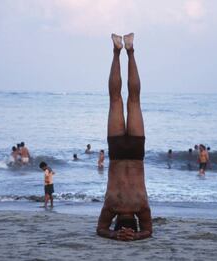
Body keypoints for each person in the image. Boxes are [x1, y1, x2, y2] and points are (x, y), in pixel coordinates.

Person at [96, 33, 152, 241]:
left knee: (135, 100)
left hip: (136, 153)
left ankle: (130, 50)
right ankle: (117, 50)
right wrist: (114, 235)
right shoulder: (112, 206)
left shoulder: (141, 207)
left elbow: (148, 231)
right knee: (115, 100)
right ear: (117, 220)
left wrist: (135, 236)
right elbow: (101, 229)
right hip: (118, 153)